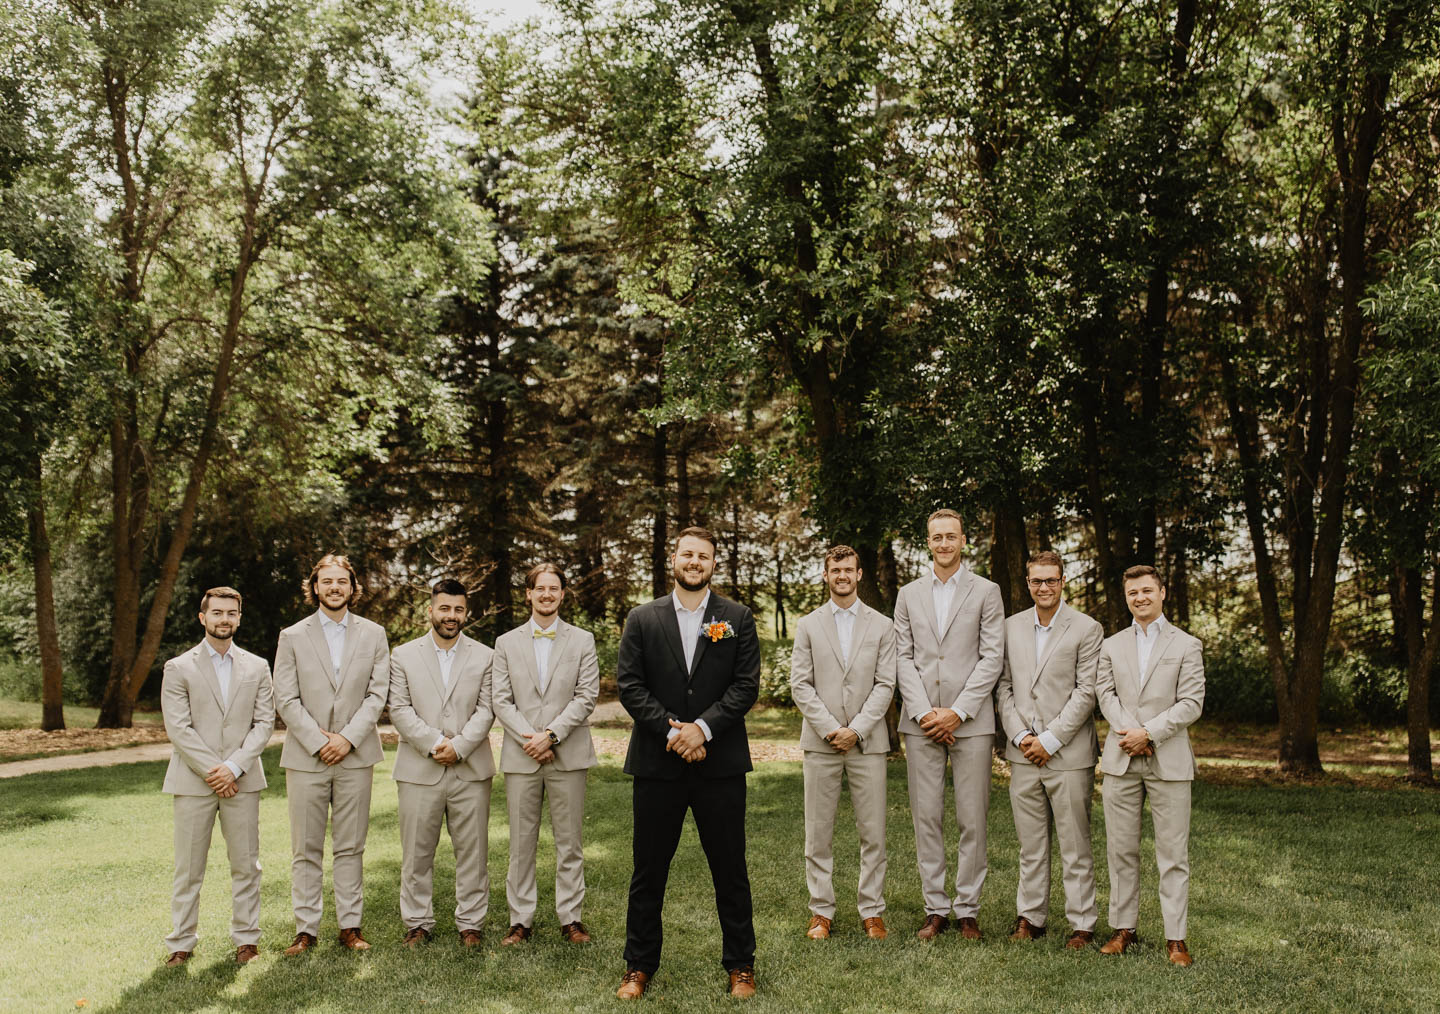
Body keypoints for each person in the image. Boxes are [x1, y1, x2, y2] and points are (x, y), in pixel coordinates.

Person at [614, 526, 761, 999]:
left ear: (713, 563)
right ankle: (638, 966)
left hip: (720, 766)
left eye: (703, 556)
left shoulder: (736, 617)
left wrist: (704, 728)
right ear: (673, 559)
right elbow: (630, 684)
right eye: (687, 554)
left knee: (730, 870)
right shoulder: (642, 617)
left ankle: (741, 965)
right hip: (658, 765)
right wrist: (674, 732)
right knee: (648, 871)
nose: (694, 562)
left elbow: (746, 684)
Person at [893, 508, 1004, 940]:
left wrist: (958, 711)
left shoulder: (987, 591)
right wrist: (924, 712)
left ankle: (968, 909)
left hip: (971, 722)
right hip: (920, 722)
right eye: (937, 537)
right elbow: (902, 657)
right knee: (927, 817)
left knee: (972, 819)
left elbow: (992, 656)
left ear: (963, 540)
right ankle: (935, 908)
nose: (944, 543)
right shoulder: (908, 594)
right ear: (928, 542)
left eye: (951, 536)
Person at [273, 553, 390, 953]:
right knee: (305, 847)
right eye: (327, 581)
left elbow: (377, 694)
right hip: (306, 757)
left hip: (356, 755)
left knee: (351, 845)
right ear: (315, 587)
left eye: (342, 581)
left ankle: (350, 926)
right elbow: (285, 697)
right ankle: (306, 929)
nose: (335, 587)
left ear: (353, 587)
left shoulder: (374, 634)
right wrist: (319, 740)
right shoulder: (292, 636)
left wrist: (347, 739)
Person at [1096, 564, 1205, 966]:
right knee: (1121, 850)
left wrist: (1150, 733)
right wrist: (1130, 732)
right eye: (1132, 593)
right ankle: (1123, 928)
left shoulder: (1186, 645)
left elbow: (1191, 702)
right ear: (1126, 598)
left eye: (1146, 590)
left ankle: (1175, 938)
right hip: (1122, 757)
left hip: (1169, 760)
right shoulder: (1112, 645)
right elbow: (1104, 693)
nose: (1139, 598)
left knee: (1172, 854)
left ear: (1162, 593)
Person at [160, 586, 275, 966]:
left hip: (243, 780)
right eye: (217, 613)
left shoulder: (257, 667)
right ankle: (181, 942)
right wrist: (216, 770)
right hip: (193, 782)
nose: (224, 619)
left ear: (239, 618)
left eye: (231, 613)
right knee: (188, 867)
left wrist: (234, 767)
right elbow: (178, 728)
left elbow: (264, 724)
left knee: (247, 864)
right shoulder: (179, 667)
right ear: (202, 617)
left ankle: (247, 940)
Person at [995, 551, 1103, 948]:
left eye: (1051, 580)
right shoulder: (1010, 627)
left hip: (1069, 754)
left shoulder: (1087, 628)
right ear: (1028, 583)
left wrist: (1050, 740)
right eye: (1037, 581)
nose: (1044, 587)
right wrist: (1021, 737)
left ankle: (1082, 923)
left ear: (1062, 581)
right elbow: (1003, 686)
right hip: (1023, 753)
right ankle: (1031, 917)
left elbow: (1086, 691)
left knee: (1075, 844)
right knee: (1030, 844)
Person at [789, 545, 896, 940]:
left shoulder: (882, 625)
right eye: (835, 570)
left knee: (874, 833)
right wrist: (831, 728)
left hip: (868, 744)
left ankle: (872, 911)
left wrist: (857, 729)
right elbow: (800, 684)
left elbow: (886, 683)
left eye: (848, 569)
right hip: (822, 743)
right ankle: (821, 911)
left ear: (859, 574)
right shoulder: (808, 625)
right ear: (825, 575)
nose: (842, 576)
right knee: (818, 832)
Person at [491, 563, 599, 947]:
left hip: (568, 754)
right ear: (529, 593)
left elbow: (587, 695)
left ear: (563, 594)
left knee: (569, 842)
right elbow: (501, 699)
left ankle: (571, 918)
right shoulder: (506, 643)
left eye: (554, 588)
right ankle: (520, 921)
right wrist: (531, 740)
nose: (547, 594)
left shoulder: (582, 640)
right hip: (522, 755)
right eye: (540, 588)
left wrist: (551, 736)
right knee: (521, 843)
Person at [388, 578, 496, 948]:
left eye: (458, 609)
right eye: (445, 608)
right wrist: (435, 743)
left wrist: (460, 746)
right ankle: (418, 923)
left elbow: (487, 709)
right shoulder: (403, 655)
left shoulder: (485, 656)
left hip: (471, 768)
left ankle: (471, 923)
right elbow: (399, 708)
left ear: (467, 613)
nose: (451, 615)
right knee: (416, 853)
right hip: (419, 769)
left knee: (474, 852)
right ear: (431, 610)